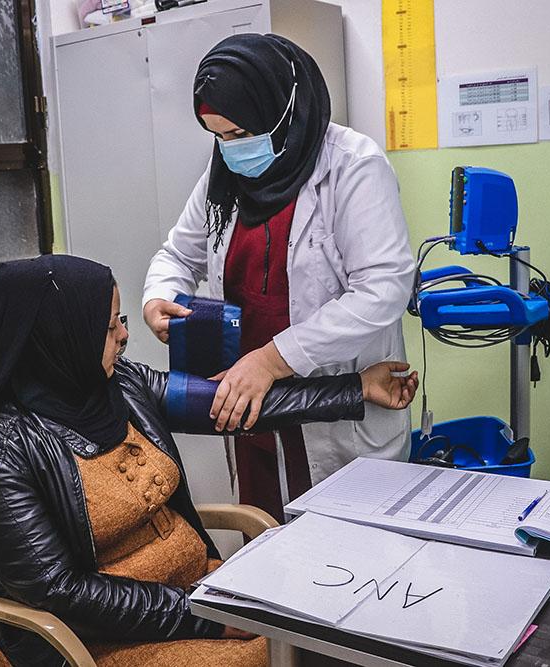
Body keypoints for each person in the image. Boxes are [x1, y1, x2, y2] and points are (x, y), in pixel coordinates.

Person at [0, 255, 418, 667]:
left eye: (120, 319)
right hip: (102, 637)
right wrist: (206, 617)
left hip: (196, 587)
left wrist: (356, 390)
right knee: (285, 651)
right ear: (59, 334)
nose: (125, 334)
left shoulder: (122, 386)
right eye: (108, 326)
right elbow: (63, 595)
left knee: (325, 626)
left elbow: (230, 402)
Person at [142, 33, 416, 520]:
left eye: (241, 134)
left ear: (284, 112)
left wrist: (272, 360)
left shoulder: (353, 167)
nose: (231, 150)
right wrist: (158, 297)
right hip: (253, 406)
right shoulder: (224, 176)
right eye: (219, 137)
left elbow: (383, 289)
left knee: (344, 562)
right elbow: (177, 254)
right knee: (264, 535)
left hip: (331, 409)